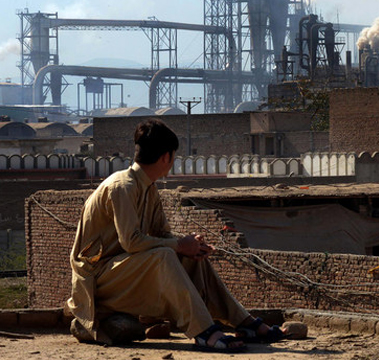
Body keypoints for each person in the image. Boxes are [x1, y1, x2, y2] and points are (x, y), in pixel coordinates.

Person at [67, 118, 286, 353]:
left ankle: (243, 321)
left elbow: (162, 234)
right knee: (165, 255)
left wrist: (190, 245)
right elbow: (131, 242)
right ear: (166, 157)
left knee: (189, 256)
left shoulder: (148, 188)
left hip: (122, 273)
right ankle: (203, 331)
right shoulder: (123, 187)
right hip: (96, 281)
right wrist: (178, 245)